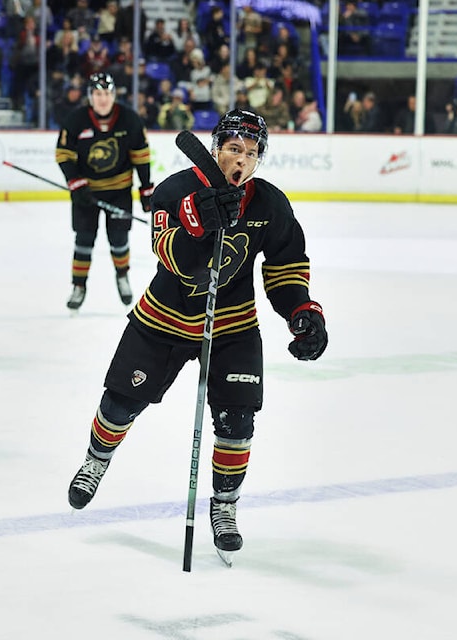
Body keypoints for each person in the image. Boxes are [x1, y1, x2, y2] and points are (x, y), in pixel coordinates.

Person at [66, 110, 328, 563]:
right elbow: (169, 255)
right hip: (164, 319)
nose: (240, 161)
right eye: (233, 150)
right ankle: (96, 460)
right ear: (215, 150)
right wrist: (198, 223)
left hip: (233, 326)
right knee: (120, 404)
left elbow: (286, 266)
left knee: (237, 422)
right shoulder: (174, 190)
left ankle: (224, 508)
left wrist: (302, 311)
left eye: (250, 153)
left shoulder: (269, 204)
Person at [55, 72, 153, 311]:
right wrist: (76, 183)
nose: (103, 99)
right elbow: (64, 155)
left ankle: (122, 276)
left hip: (119, 191)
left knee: (119, 239)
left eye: (107, 94)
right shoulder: (76, 120)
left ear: (113, 95)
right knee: (84, 240)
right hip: (86, 193)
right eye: (98, 94)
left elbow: (141, 156)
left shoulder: (129, 119)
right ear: (90, 96)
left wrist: (146, 188)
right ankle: (79, 286)